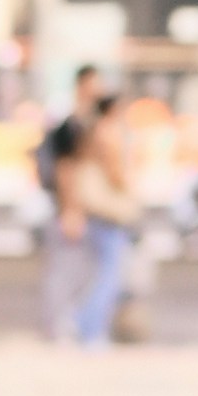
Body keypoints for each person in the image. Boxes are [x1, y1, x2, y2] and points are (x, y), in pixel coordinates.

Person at [43, 72, 130, 346]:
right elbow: (66, 170)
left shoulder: (90, 125)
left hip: (90, 210)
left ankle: (79, 326)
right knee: (84, 274)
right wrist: (70, 210)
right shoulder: (76, 126)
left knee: (92, 274)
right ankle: (78, 326)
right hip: (87, 210)